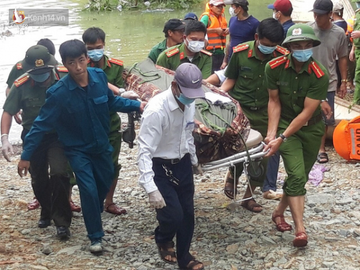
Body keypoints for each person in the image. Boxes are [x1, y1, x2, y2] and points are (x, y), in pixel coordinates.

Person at [17, 39, 146, 253]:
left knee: (103, 185)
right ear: (64, 65)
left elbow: (111, 102)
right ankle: (95, 236)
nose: (78, 67)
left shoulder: (98, 77)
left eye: (81, 60)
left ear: (86, 58)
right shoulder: (58, 93)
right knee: (87, 188)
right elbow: (40, 125)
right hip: (78, 150)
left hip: (102, 146)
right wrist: (26, 154)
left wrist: (137, 105)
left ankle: (91, 211)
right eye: (71, 63)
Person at [264, 23, 329, 247]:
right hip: (284, 126)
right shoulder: (273, 67)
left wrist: (280, 138)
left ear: (312, 46)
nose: (303, 49)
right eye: (297, 46)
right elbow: (274, 101)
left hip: (310, 129)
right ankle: (301, 230)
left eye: (307, 45)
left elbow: (306, 114)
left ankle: (278, 213)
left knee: (297, 176)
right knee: (298, 175)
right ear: (289, 47)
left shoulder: (320, 74)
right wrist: (273, 134)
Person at [1, 45, 72, 240]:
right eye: (36, 73)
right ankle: (46, 210)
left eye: (44, 72)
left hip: (58, 135)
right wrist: (5, 138)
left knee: (59, 173)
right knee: (38, 177)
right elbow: (8, 111)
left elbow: (90, 79)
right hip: (33, 136)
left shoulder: (64, 77)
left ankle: (62, 222)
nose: (41, 77)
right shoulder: (20, 85)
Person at [137, 63, 204, 270]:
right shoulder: (157, 111)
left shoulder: (189, 101)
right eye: (187, 93)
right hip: (160, 166)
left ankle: (184, 256)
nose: (190, 98)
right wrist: (150, 188)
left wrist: (193, 161)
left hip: (181, 162)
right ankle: (163, 237)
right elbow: (145, 150)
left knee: (187, 213)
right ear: (175, 86)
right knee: (172, 215)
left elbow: (187, 133)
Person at [220, 18, 287, 212]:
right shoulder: (240, 53)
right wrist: (218, 98)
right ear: (257, 37)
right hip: (242, 111)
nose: (270, 49)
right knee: (239, 150)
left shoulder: (281, 57)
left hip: (267, 112)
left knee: (264, 155)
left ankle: (249, 196)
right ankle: (233, 175)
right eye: (266, 45)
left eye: (274, 46)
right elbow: (230, 80)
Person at [82, 27, 138, 216]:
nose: (95, 51)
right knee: (81, 165)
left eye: (98, 47)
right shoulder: (79, 65)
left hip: (109, 122)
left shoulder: (115, 66)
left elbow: (120, 95)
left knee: (112, 164)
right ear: (85, 48)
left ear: (104, 45)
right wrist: (119, 92)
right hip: (86, 123)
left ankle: (109, 201)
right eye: (90, 48)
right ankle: (71, 201)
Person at [309, 0, 347, 164]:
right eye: (315, 13)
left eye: (320, 15)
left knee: (326, 117)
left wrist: (344, 81)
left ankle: (321, 148)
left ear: (330, 14)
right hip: (307, 78)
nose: (316, 17)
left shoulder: (338, 33)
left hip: (328, 80)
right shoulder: (309, 29)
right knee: (306, 113)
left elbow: (343, 57)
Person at [263, 0, 295, 200]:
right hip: (263, 103)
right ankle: (265, 185)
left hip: (279, 101)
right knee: (271, 141)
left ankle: (268, 186)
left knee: (274, 142)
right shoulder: (274, 31)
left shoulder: (287, 42)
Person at [221, 0, 259, 68]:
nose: (231, 9)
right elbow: (230, 42)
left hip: (246, 62)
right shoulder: (232, 20)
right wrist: (225, 61)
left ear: (239, 8)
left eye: (232, 6)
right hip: (231, 61)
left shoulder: (254, 24)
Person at [200, 0, 229, 73]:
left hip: (221, 53)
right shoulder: (206, 17)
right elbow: (198, 30)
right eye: (218, 6)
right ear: (211, 7)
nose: (220, 8)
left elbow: (227, 28)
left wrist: (228, 30)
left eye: (221, 6)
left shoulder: (222, 17)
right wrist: (215, 30)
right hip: (210, 52)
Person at [350, 1, 360, 104]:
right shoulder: (357, 14)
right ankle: (356, 101)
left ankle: (356, 102)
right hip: (357, 49)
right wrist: (353, 49)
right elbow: (354, 33)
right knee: (357, 77)